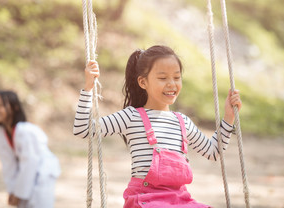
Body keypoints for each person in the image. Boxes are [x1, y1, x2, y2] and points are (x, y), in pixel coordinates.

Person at [73, 45, 242, 207]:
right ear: (143, 82)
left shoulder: (182, 121)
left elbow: (213, 152)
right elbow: (83, 129)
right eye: (162, 78)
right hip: (144, 200)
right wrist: (88, 89)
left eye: (176, 77)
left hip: (179, 200)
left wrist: (228, 117)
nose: (171, 84)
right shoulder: (131, 116)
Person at [0, 90, 61, 208]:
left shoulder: (25, 131)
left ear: (15, 107)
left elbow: (30, 162)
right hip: (25, 176)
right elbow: (8, 164)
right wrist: (12, 191)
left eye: (1, 105)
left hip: (42, 174)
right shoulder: (1, 132)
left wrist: (19, 194)